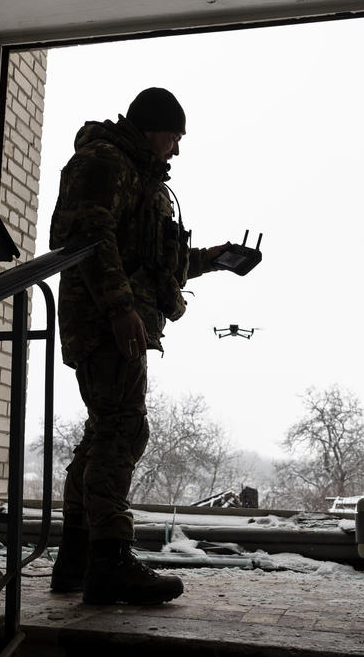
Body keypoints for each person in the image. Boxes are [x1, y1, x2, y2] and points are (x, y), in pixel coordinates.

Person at [48, 87, 233, 605]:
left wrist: (215, 259)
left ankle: (78, 559)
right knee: (123, 429)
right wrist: (120, 309)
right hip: (105, 321)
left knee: (104, 431)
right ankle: (109, 560)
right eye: (173, 136)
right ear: (152, 128)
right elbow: (91, 237)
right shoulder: (105, 162)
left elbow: (153, 260)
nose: (175, 149)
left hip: (118, 318)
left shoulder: (138, 176)